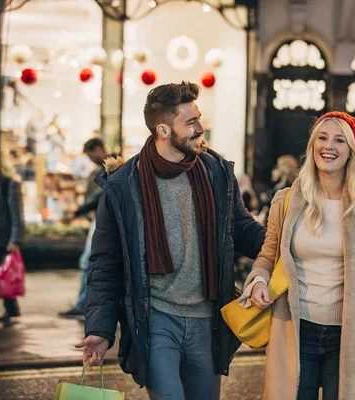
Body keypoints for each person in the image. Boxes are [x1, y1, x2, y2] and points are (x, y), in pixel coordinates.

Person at [75, 81, 266, 400]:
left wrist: (290, 246)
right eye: (190, 122)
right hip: (156, 319)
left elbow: (242, 230)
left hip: (208, 318)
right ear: (163, 129)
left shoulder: (216, 171)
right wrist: (100, 328)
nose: (200, 128)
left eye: (199, 118)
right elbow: (106, 264)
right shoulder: (124, 186)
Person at [241, 111, 355, 399]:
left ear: (352, 151)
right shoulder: (287, 201)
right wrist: (257, 281)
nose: (329, 146)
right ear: (312, 146)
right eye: (322, 137)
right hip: (296, 329)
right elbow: (267, 257)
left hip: (348, 335)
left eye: (339, 140)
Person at [59, 138, 109, 319]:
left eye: (90, 154)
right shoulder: (106, 168)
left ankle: (83, 304)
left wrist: (76, 213)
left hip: (102, 221)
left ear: (97, 149)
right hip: (102, 220)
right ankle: (87, 304)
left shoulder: (109, 168)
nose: (89, 158)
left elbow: (97, 198)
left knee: (88, 262)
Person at [0, 155, 24, 322]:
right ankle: (11, 308)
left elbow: (17, 214)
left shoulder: (8, 184)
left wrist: (15, 239)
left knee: (3, 275)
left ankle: (11, 307)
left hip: (2, 239)